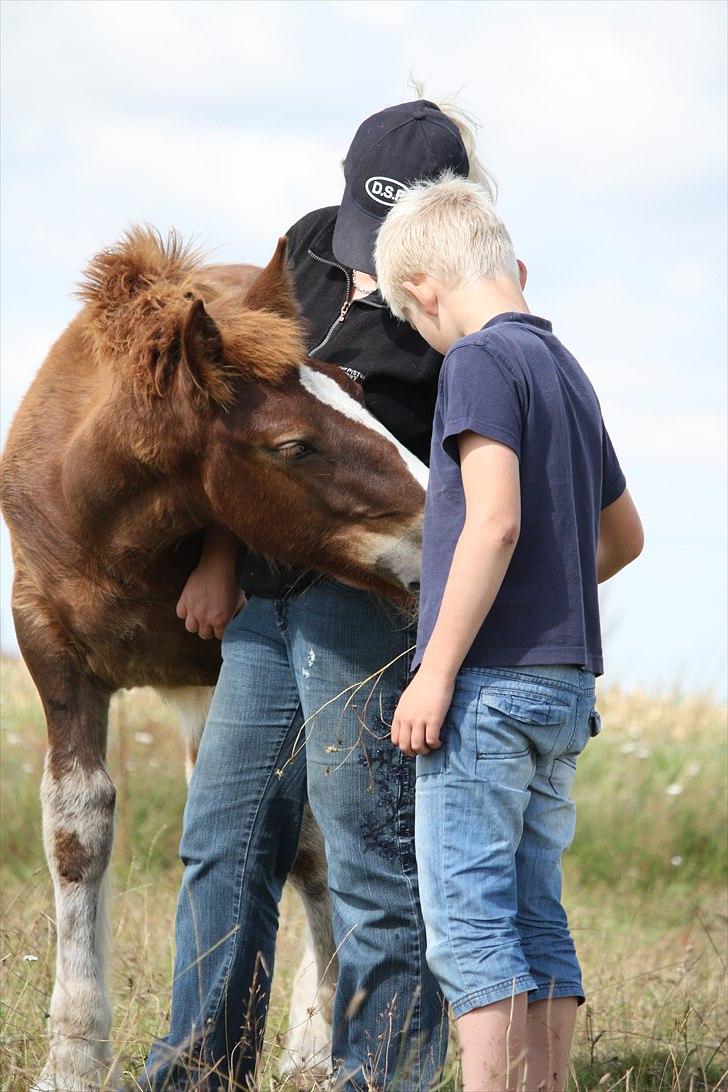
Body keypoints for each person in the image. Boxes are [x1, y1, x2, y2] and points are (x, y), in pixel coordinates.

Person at [142, 100, 494, 1091]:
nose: (365, 257)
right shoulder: (303, 247)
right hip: (260, 594)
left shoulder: (459, 306)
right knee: (222, 842)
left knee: (369, 859)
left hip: (363, 608)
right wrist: (217, 559)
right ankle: (195, 1073)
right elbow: (250, 416)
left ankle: (381, 1078)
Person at [374, 173, 644, 1092]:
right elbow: (623, 539)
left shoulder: (477, 364)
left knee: (471, 920)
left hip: (487, 688)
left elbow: (492, 523)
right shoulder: (569, 372)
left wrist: (436, 671)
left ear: (423, 294)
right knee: (536, 910)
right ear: (513, 268)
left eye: (417, 326)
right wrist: (540, 592)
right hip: (567, 686)